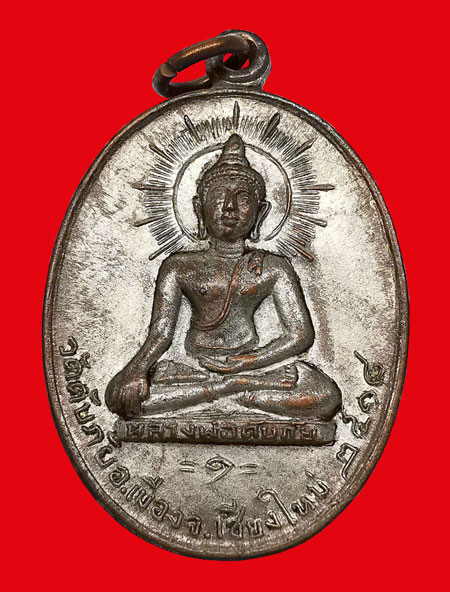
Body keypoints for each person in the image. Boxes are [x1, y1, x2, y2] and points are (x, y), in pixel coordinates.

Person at [106, 134, 341, 420]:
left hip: (254, 365)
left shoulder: (274, 267)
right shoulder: (179, 266)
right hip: (192, 366)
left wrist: (246, 362)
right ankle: (231, 389)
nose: (230, 207)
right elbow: (161, 335)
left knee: (325, 395)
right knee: (120, 398)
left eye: (243, 198)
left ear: (260, 213)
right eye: (219, 196)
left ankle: (224, 389)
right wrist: (136, 369)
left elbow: (300, 336)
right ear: (199, 209)